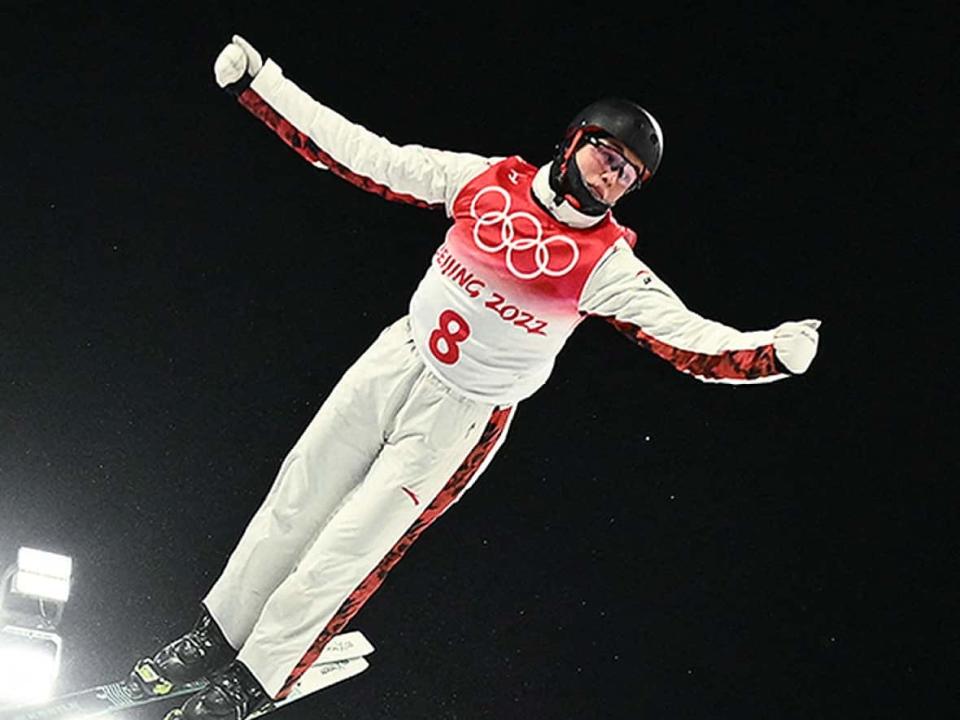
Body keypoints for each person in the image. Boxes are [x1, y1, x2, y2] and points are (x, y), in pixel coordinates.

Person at [138, 35, 821, 720]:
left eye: (628, 177)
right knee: (297, 499)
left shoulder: (606, 263)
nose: (611, 177)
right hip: (397, 358)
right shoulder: (486, 180)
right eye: (607, 156)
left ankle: (254, 679)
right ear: (575, 139)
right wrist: (264, 85)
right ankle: (216, 636)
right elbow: (367, 157)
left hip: (460, 415)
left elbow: (688, 341)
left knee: (349, 548)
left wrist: (768, 352)